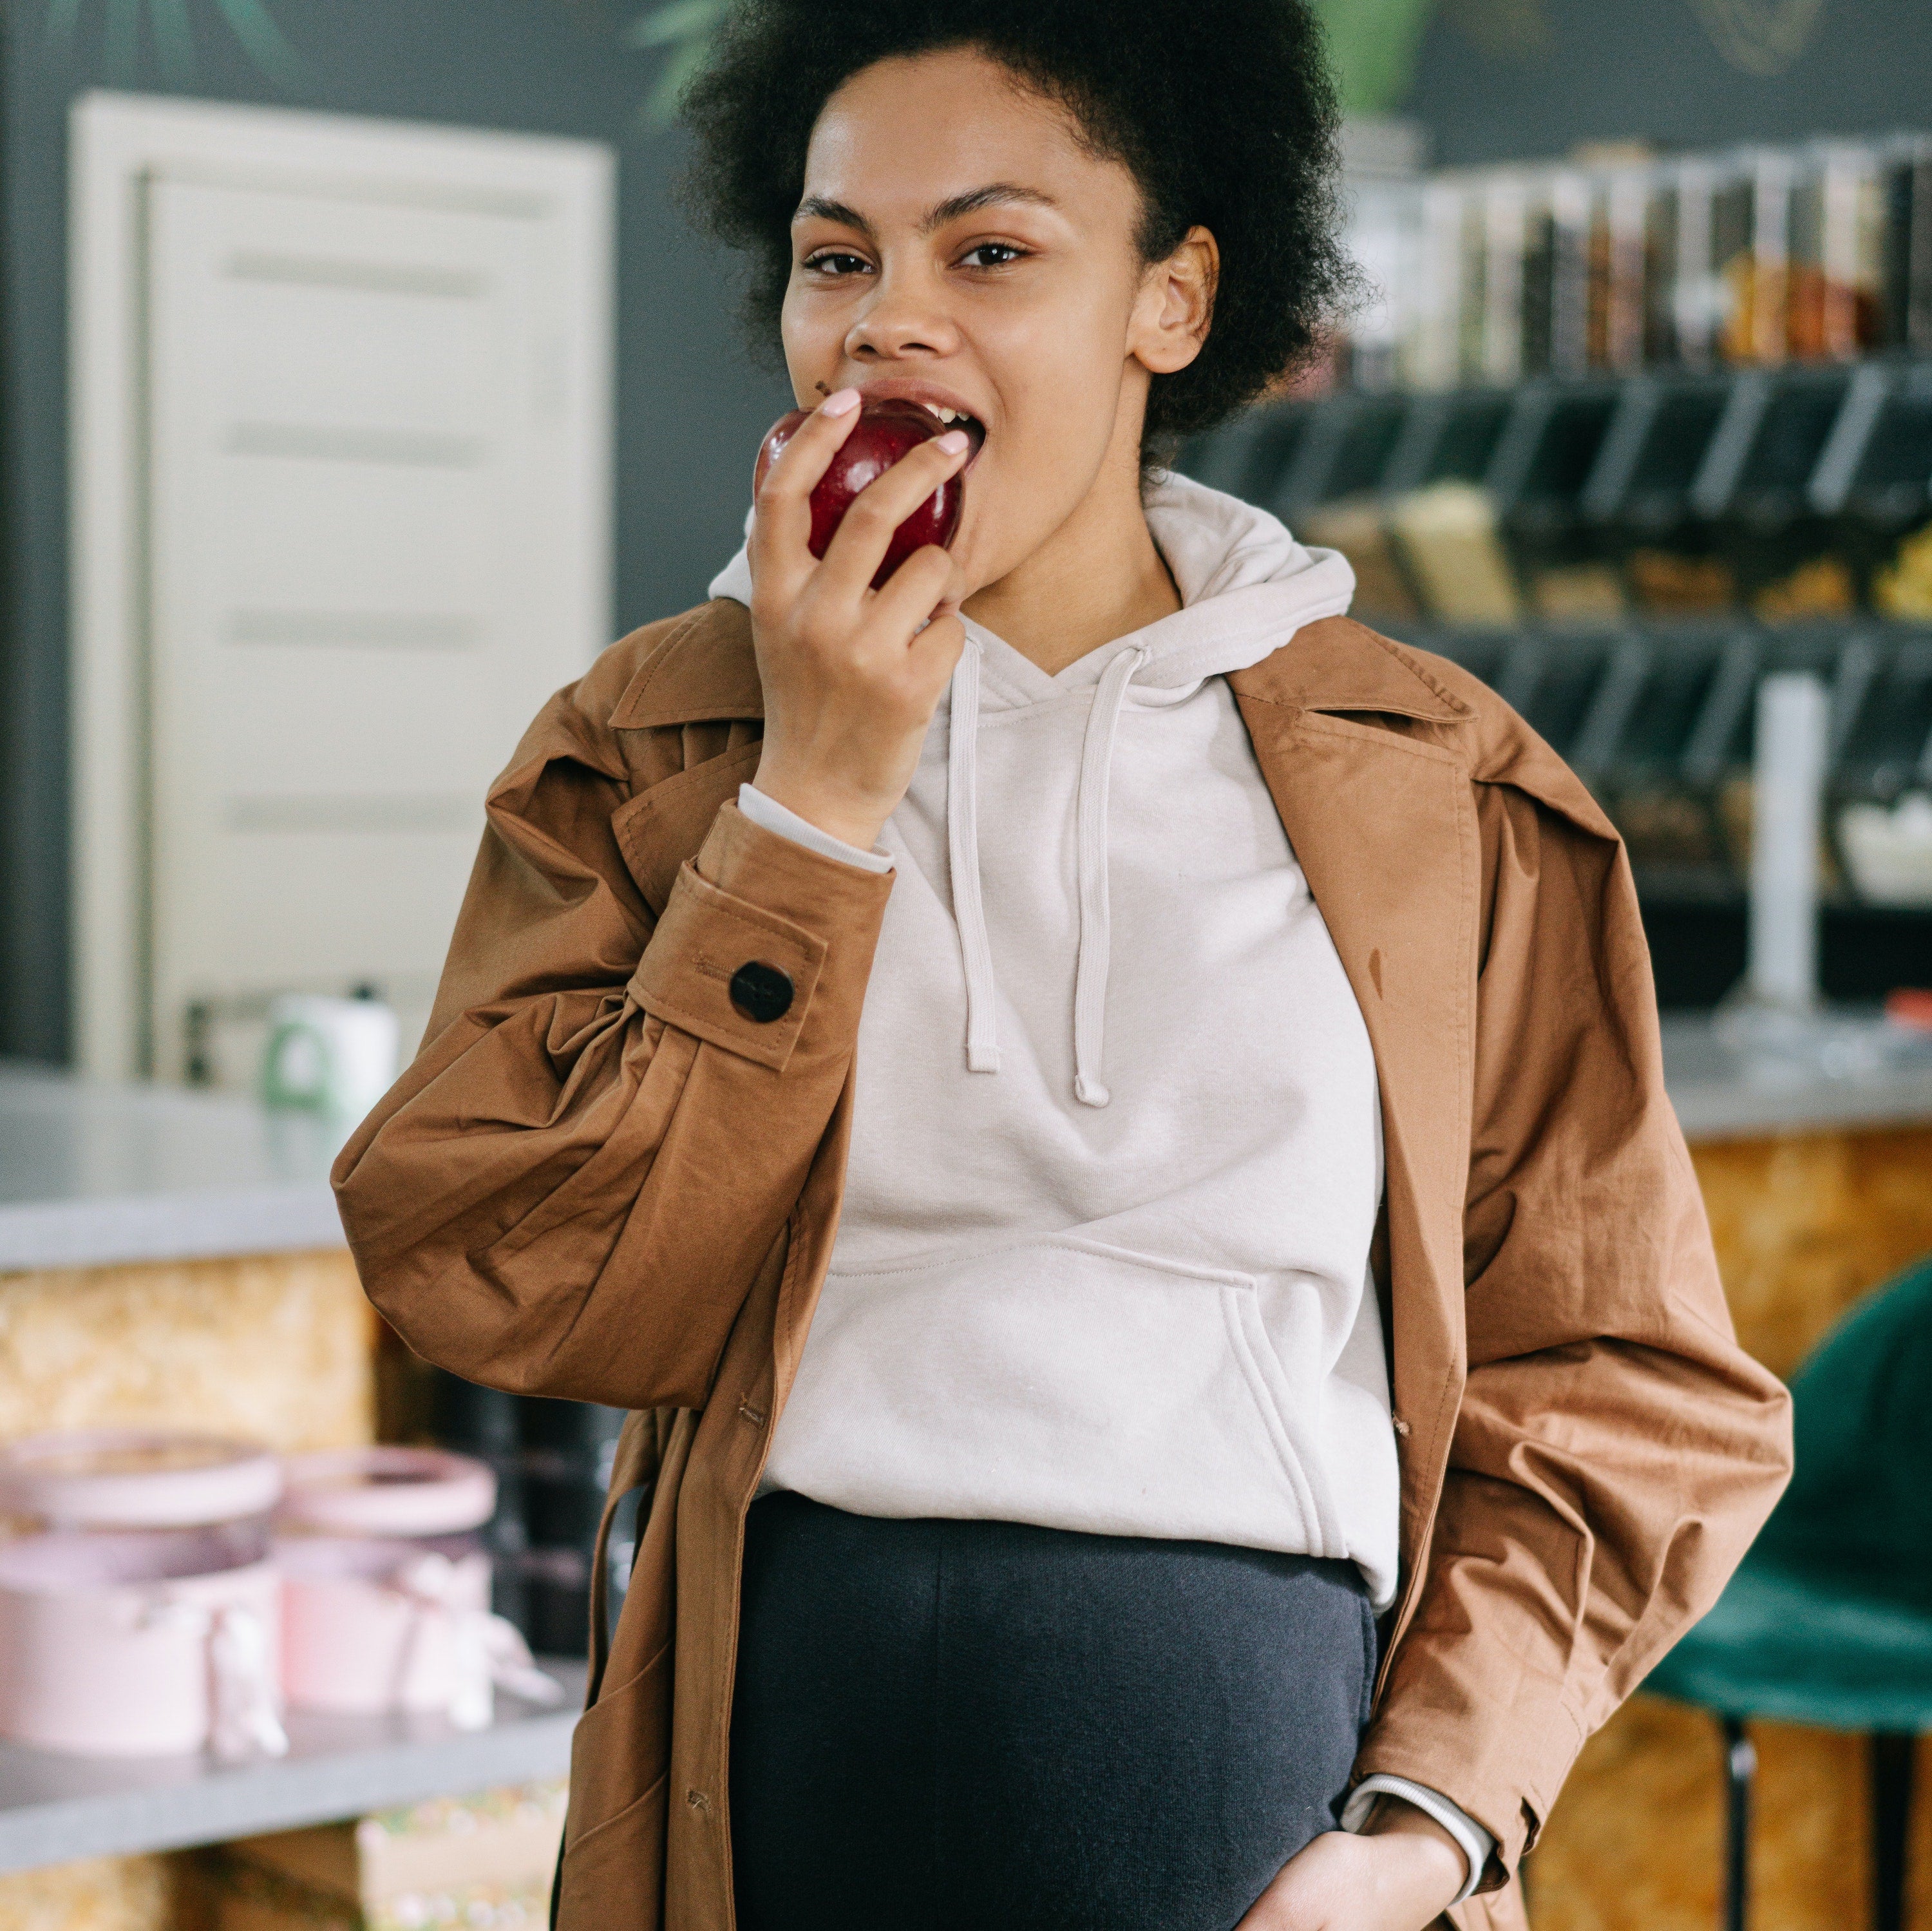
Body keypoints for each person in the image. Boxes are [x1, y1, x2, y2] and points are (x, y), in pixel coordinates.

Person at [334, 3, 1794, 1926]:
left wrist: (1424, 1832)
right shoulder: (656, 743)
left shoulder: (1441, 782)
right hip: (776, 1770)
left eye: (991, 251)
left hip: (1246, 1790)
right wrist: (815, 803)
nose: (887, 319)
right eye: (837, 256)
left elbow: (1622, 1378)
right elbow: (518, 1288)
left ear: (1172, 302)